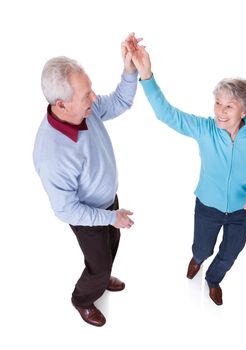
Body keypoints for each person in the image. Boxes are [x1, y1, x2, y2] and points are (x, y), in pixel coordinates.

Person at [126, 36, 246, 306]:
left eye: (228, 106)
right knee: (202, 248)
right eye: (217, 103)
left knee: (230, 253)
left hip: (243, 212)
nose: (220, 111)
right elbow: (166, 113)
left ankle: (214, 280)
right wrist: (146, 74)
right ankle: (197, 259)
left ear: (244, 111)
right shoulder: (205, 129)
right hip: (207, 206)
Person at [33, 34, 139, 326]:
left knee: (113, 242)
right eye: (86, 95)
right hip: (86, 215)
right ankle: (83, 298)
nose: (94, 98)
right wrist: (108, 218)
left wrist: (129, 69)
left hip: (108, 203)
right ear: (61, 104)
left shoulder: (85, 111)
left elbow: (119, 102)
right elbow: (66, 210)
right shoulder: (51, 154)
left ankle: (101, 278)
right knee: (99, 264)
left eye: (90, 90)